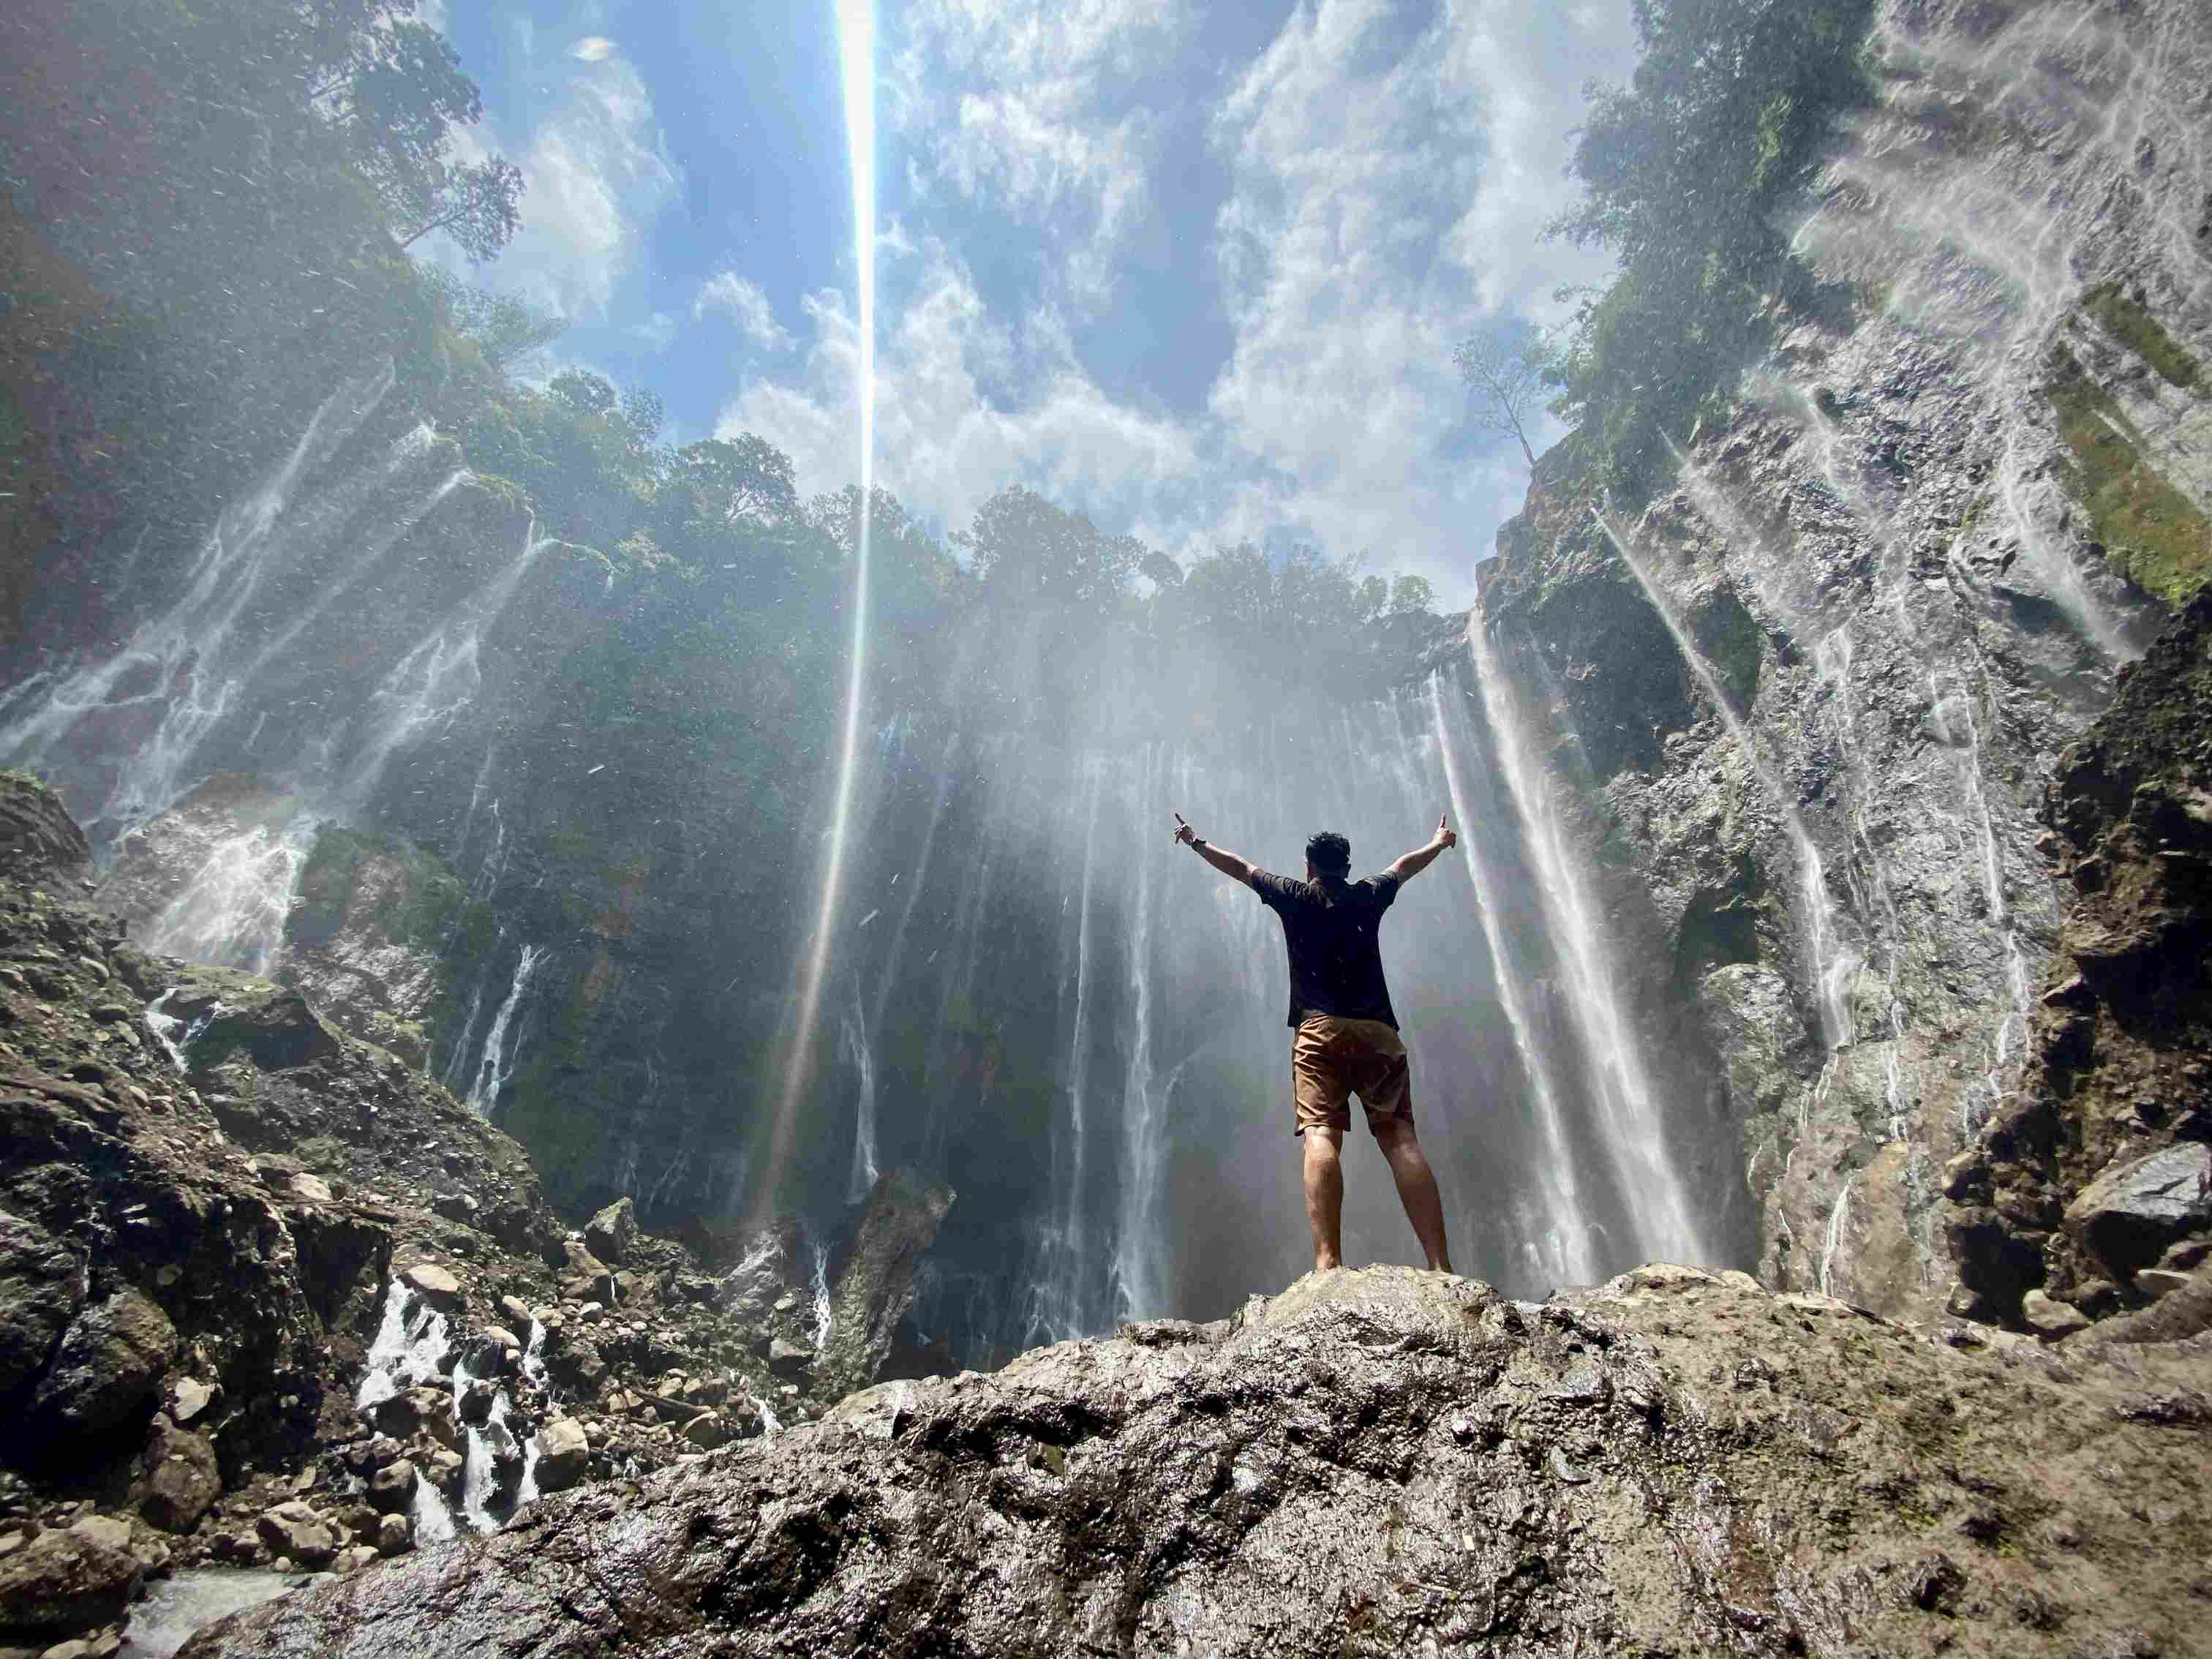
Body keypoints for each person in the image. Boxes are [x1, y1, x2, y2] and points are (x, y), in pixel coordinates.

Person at [1170, 810, 1458, 1276]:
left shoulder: (1295, 896)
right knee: (1401, 1139)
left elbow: (1242, 868)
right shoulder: (1368, 894)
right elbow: (1405, 865)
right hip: (1378, 1033)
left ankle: (1328, 1264)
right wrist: (1440, 842)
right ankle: (1441, 1266)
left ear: (1310, 867)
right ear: (1346, 867)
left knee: (1322, 1136)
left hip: (1319, 1029)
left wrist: (1195, 842)